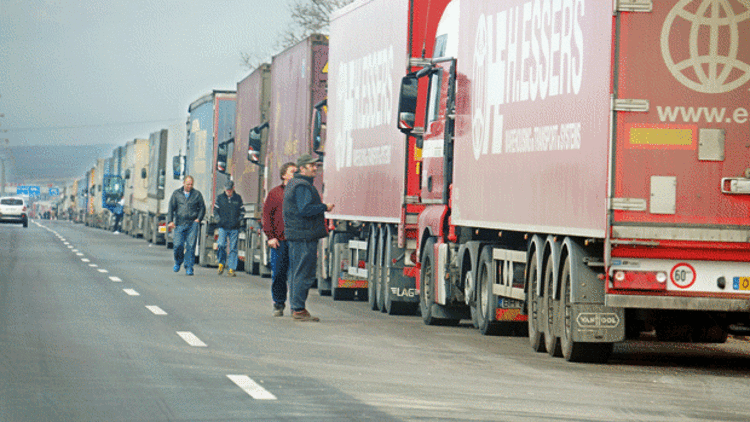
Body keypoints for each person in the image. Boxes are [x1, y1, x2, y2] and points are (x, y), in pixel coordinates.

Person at [283, 154, 333, 322]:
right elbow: (305, 209)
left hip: (298, 235)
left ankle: (296, 307)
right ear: (302, 168)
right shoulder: (302, 186)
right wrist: (324, 207)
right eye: (311, 166)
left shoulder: (294, 184)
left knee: (297, 271)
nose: (315, 168)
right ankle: (298, 308)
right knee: (304, 272)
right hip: (304, 235)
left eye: (315, 166)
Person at [263, 162, 297, 316]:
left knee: (297, 275)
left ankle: (297, 306)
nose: (294, 174)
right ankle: (278, 302)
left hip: (297, 241)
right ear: (284, 175)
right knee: (278, 273)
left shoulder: (301, 193)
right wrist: (271, 236)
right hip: (279, 241)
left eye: (296, 172)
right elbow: (267, 216)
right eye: (292, 172)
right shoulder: (275, 194)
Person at [167, 175, 205, 276]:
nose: (189, 186)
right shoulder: (176, 194)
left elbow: (202, 208)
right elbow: (171, 208)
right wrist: (170, 221)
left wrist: (198, 219)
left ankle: (189, 267)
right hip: (180, 223)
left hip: (192, 224)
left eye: (191, 184)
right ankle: (178, 261)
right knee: (178, 245)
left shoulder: (197, 194)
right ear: (183, 183)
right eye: (188, 184)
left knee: (190, 246)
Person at [214, 180, 244, 277]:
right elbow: (215, 211)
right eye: (227, 190)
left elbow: (242, 211)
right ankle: (221, 263)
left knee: (233, 248)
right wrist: (218, 219)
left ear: (233, 189)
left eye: (230, 190)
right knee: (221, 245)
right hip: (223, 226)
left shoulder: (238, 198)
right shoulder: (220, 198)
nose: (228, 191)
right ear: (224, 189)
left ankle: (231, 268)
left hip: (234, 227)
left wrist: (238, 220)